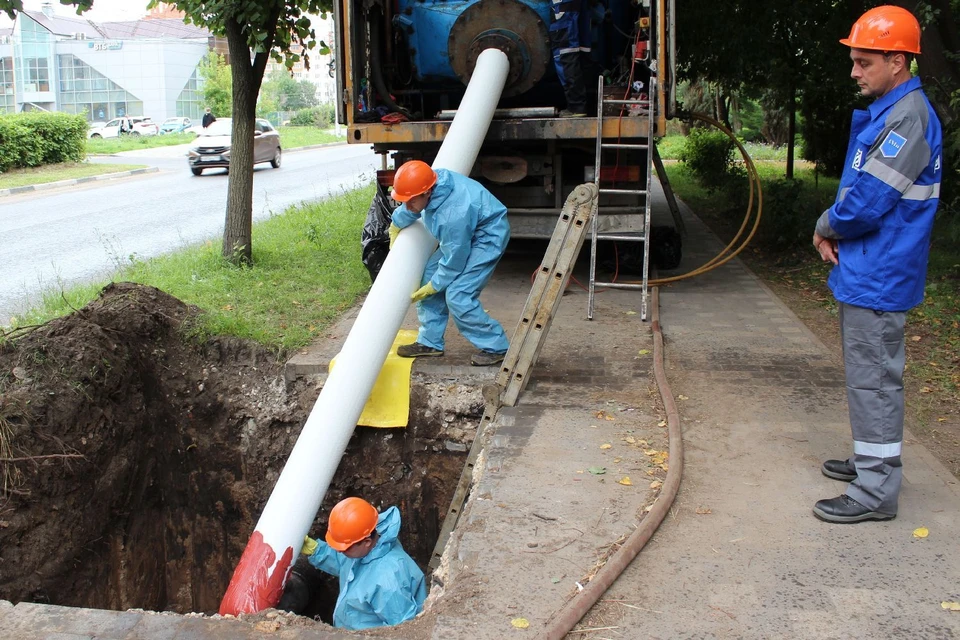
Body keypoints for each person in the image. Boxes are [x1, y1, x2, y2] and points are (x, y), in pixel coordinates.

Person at [811, 5, 941, 524]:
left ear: (898, 60)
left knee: (875, 380)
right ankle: (872, 462)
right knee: (868, 374)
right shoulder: (895, 111)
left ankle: (875, 491)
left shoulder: (907, 118)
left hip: (881, 268)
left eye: (864, 62)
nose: (854, 71)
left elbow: (867, 201)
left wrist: (826, 224)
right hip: (872, 263)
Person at [388, 160, 511, 367]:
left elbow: (455, 258)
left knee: (458, 294)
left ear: (427, 192)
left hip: (488, 236)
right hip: (467, 231)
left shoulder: (452, 215)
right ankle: (430, 342)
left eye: (410, 201)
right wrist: (396, 223)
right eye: (404, 201)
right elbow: (412, 206)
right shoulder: (429, 182)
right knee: (429, 274)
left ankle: (498, 347)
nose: (407, 206)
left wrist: (435, 286)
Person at [301, 497, 426, 630]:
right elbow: (343, 562)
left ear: (366, 541)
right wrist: (316, 550)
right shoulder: (369, 543)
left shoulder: (388, 583)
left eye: (344, 548)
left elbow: (402, 630)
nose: (339, 551)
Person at [550, 0, 592, 117]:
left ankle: (577, 106)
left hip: (564, 5)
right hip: (579, 5)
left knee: (565, 51)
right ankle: (590, 103)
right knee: (583, 50)